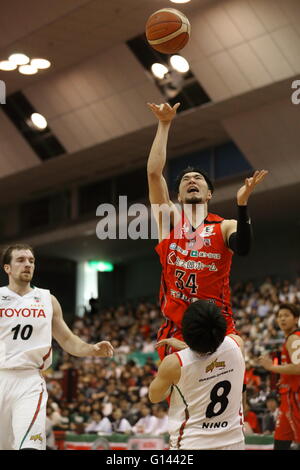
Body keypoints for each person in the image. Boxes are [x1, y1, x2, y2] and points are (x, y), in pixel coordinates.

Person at [147, 102, 268, 360]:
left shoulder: (225, 226)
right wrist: (164, 124)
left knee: (233, 400)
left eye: (198, 178)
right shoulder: (169, 222)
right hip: (177, 330)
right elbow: (154, 174)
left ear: (209, 193)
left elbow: (244, 248)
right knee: (180, 400)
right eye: (185, 180)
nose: (192, 180)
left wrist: (242, 205)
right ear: (178, 195)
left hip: (218, 328)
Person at [0, 244, 114, 451]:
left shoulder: (47, 300)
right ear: (7, 268)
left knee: (30, 446)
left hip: (29, 381)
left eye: (31, 261)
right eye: (21, 260)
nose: (27, 265)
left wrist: (91, 349)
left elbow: (68, 340)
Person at [149, 300, 245, 450]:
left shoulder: (174, 363)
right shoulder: (237, 344)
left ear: (185, 332)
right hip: (234, 443)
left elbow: (154, 397)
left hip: (192, 443)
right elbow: (213, 352)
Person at [258, 303, 300, 450]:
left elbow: (298, 367)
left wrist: (271, 367)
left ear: (296, 319)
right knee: (280, 442)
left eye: (286, 315)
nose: (282, 319)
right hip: (286, 397)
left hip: (295, 396)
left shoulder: (294, 339)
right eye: (279, 316)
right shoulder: (289, 339)